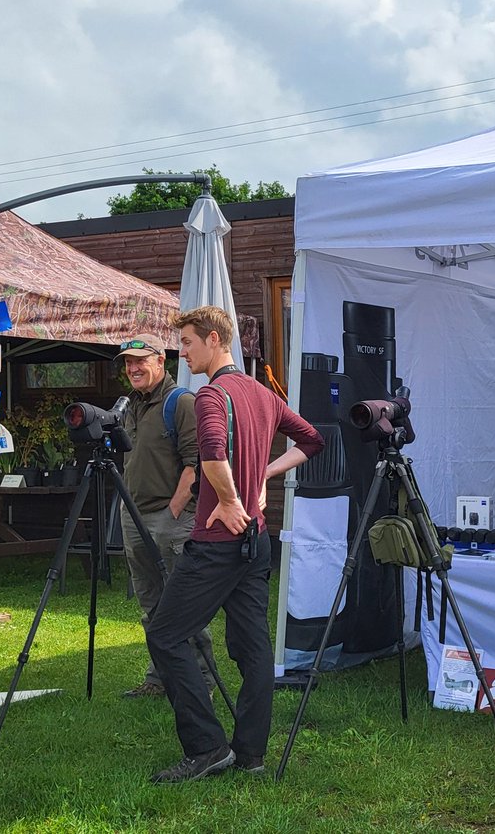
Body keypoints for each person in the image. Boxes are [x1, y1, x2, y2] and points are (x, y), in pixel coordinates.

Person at [146, 305, 323, 782]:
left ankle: (206, 748)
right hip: (256, 539)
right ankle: (251, 755)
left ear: (213, 339)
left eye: (186, 342)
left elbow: (212, 453)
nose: (181, 352)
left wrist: (227, 497)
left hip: (219, 540)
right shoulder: (264, 395)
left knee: (164, 634)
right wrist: (264, 474)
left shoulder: (210, 395)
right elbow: (311, 440)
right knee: (253, 647)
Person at [115, 332, 215, 699]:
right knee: (151, 605)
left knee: (184, 605)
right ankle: (159, 679)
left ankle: (202, 682)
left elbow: (198, 462)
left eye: (140, 361)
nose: (133, 368)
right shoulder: (131, 406)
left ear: (161, 360)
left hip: (170, 520)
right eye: (128, 362)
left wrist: (174, 510)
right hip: (135, 517)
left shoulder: (182, 402)